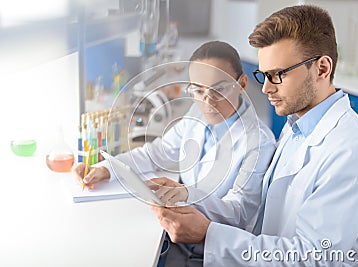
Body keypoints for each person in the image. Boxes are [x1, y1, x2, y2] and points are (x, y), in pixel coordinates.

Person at [150, 5, 358, 266]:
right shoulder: (297, 126)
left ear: (322, 69)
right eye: (264, 75)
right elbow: (258, 209)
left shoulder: (352, 150)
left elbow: (314, 258)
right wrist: (188, 195)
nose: (266, 88)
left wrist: (208, 235)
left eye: (278, 75)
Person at [74, 41, 276, 266]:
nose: (207, 101)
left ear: (242, 84)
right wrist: (106, 168)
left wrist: (188, 194)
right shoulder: (197, 115)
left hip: (216, 253)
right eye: (198, 90)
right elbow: (158, 152)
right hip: (180, 240)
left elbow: (239, 212)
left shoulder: (259, 142)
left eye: (218, 89)